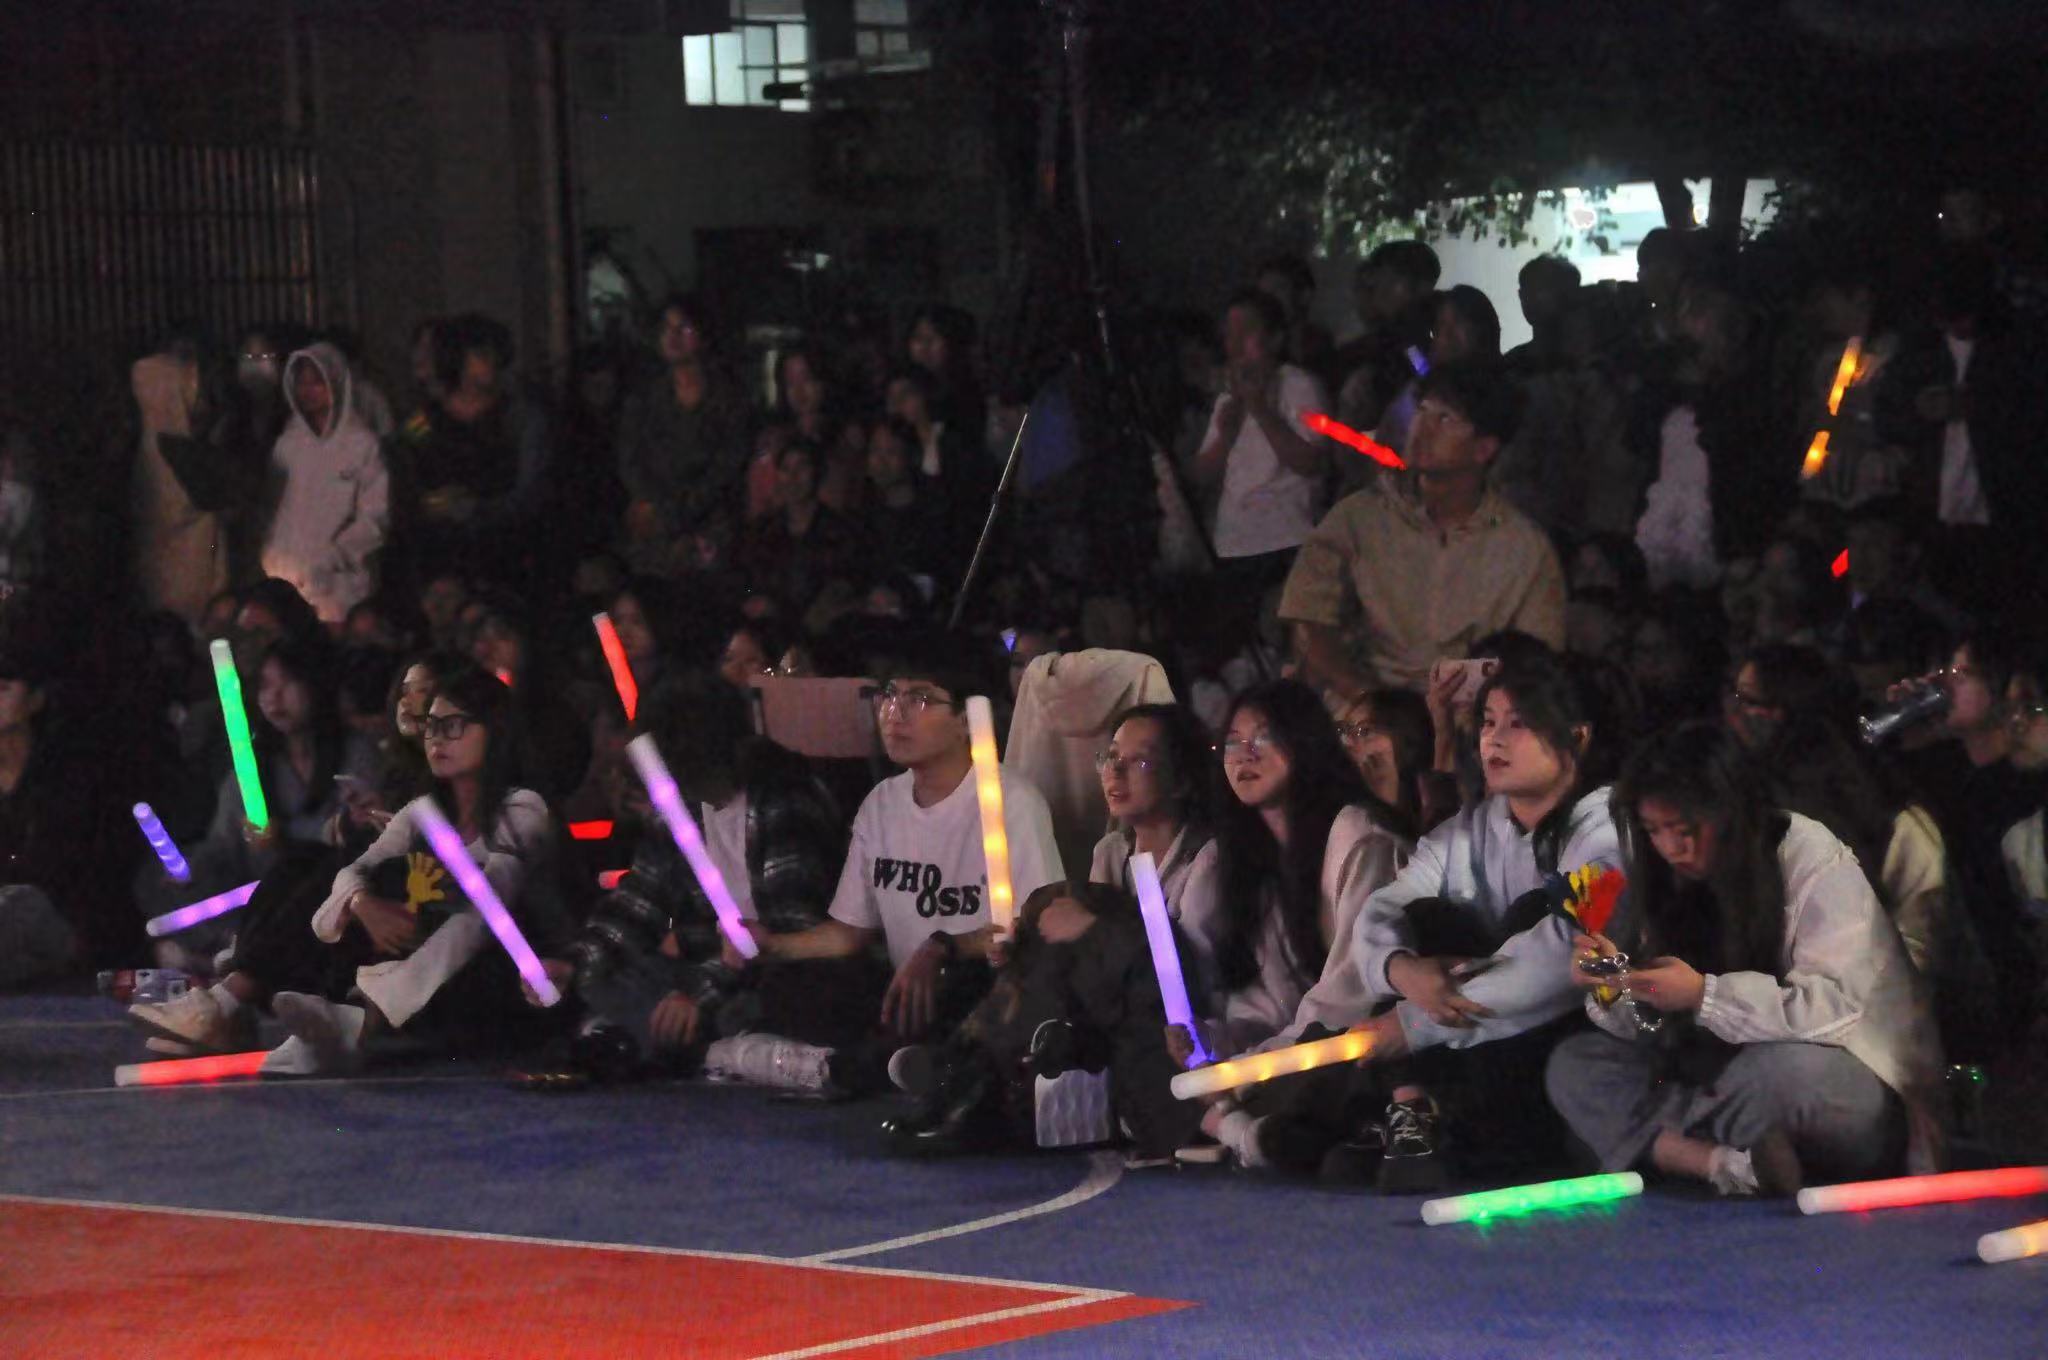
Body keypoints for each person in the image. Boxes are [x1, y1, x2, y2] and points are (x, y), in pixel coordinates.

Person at [1210, 654, 1619, 1188]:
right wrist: (1401, 969)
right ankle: (1412, 1118)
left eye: (1518, 723)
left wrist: (1413, 1024)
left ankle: (1446, 1127)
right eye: (1488, 721)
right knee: (1419, 919)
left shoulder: (1606, 832)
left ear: (1577, 737)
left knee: (1532, 915)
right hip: (1463, 1025)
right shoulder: (1475, 828)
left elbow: (1562, 953)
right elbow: (1383, 908)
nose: (1494, 739)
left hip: (1567, 1030)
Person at [1545, 722, 1944, 1196]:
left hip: (1834, 1080)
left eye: (1686, 829)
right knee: (1575, 1064)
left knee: (1777, 1075)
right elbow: (1650, 1034)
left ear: (1728, 813)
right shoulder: (1658, 873)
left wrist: (1704, 995)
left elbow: (1834, 1010)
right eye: (1654, 831)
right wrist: (1617, 986)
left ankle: (1655, 1144)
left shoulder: (1809, 856)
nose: (1672, 848)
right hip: (1710, 1078)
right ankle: (1718, 1163)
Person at [881, 703, 1223, 1157]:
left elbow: (1189, 976)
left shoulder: (1207, 859)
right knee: (1044, 926)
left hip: (1175, 1033)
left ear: (1180, 779)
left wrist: (1091, 930)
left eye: (1139, 761)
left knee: (1064, 916)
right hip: (1111, 1011)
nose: (1116, 772)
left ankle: (971, 1073)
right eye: (1110, 757)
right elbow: (1093, 959)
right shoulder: (1112, 850)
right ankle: (968, 1072)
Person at [722, 638, 1065, 1081]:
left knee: (975, 988)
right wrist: (774, 945)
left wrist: (944, 947)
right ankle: (894, 1059)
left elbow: (1036, 925)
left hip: (978, 980)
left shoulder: (1013, 801)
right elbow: (850, 933)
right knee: (796, 984)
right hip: (907, 990)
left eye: (919, 699)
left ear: (965, 721)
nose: (894, 713)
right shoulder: (881, 802)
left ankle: (888, 1063)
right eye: (888, 695)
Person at [535, 670, 844, 1068]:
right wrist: (574, 963)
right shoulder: (679, 811)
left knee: (776, 998)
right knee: (603, 976)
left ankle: (664, 1040)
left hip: (770, 972)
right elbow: (638, 903)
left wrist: (702, 996)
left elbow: (789, 928)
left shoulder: (783, 799)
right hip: (703, 968)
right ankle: (687, 1041)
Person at [265, 665, 564, 1072]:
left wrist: (382, 998)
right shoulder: (423, 811)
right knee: (359, 878)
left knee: (459, 900)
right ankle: (336, 1026)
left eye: (453, 726)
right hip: (425, 979)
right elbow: (354, 870)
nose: (437, 738)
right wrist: (363, 903)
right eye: (432, 726)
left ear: (495, 731)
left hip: (506, 977)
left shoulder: (523, 807)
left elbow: (489, 908)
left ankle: (359, 1019)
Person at [1166, 681, 1412, 1153]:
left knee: (1305, 1077)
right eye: (1233, 742)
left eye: (1264, 737)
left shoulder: (1358, 834)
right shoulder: (1250, 859)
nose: (1245, 754)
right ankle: (1250, 1131)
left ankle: (1237, 1131)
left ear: (1304, 743)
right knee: (1176, 1075)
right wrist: (1214, 1041)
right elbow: (1271, 1007)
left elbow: (1351, 992)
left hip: (1370, 1031)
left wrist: (1242, 1073)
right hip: (1303, 1043)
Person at [1281, 362, 1566, 698]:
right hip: (1364, 709)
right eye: (1422, 411)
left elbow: (1536, 663)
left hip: (1468, 715)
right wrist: (1366, 696)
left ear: (1484, 449)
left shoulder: (1523, 548)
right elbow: (1308, 614)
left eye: (1444, 419)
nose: (1422, 428)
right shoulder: (1360, 516)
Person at [1188, 289, 1330, 600]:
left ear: (1275, 339)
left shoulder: (1298, 385)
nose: (1235, 345)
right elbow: (1200, 475)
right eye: (1230, 335)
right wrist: (1226, 435)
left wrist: (1261, 409)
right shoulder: (1227, 398)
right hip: (1233, 543)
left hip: (1288, 538)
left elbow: (1311, 463)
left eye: (1246, 333)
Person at [615, 295, 749, 575]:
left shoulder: (727, 396)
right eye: (667, 328)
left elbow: (728, 462)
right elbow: (630, 457)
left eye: (683, 328)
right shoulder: (644, 397)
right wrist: (656, 503)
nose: (673, 337)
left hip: (711, 522)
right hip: (654, 520)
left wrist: (688, 507)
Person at [260, 342, 390, 624]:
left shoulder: (362, 444)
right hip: (285, 579)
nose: (308, 391)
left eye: (317, 382)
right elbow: (273, 507)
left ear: (336, 383)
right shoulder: (287, 444)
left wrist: (334, 556)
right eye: (302, 382)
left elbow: (375, 516)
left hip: (340, 586)